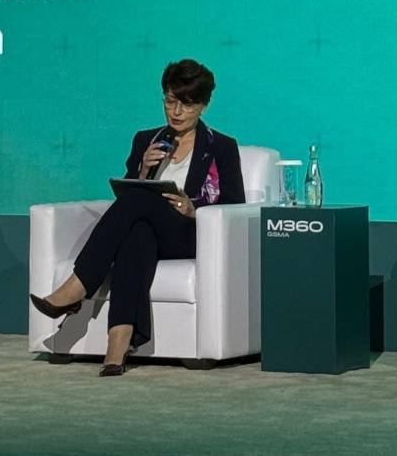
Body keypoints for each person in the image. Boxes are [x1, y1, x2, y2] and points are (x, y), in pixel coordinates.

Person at [30, 58, 245, 375]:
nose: (176, 112)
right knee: (137, 235)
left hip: (190, 235)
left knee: (139, 202)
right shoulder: (146, 140)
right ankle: (118, 345)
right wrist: (143, 170)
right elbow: (126, 203)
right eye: (170, 101)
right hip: (150, 231)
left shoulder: (221, 147)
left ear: (203, 106)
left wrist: (193, 209)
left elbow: (235, 206)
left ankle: (79, 284)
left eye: (186, 104)